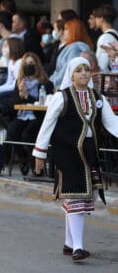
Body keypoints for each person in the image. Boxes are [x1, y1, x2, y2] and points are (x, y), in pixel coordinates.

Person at [33, 57, 118, 262]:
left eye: (87, 70)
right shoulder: (61, 98)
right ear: (71, 74)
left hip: (88, 152)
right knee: (76, 195)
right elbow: (47, 125)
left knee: (85, 196)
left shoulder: (97, 97)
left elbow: (112, 122)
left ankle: (69, 243)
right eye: (79, 70)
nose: (83, 73)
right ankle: (78, 248)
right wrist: (39, 154)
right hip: (66, 152)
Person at [6, 52, 54, 176]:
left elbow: (42, 104)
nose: (29, 66)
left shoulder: (46, 84)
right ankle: (22, 159)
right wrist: (21, 95)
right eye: (26, 64)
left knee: (28, 134)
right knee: (12, 130)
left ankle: (36, 167)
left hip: (38, 116)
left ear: (37, 65)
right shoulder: (20, 82)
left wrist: (27, 96)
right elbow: (14, 105)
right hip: (22, 115)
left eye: (31, 63)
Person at [49, 19, 92, 87]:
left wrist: (52, 82)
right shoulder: (70, 47)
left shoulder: (75, 49)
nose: (64, 32)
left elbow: (66, 71)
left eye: (66, 29)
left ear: (73, 31)